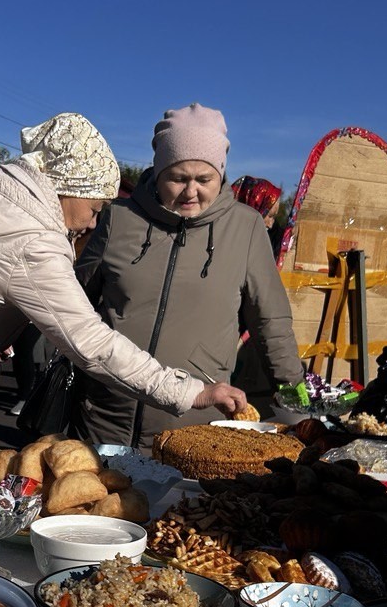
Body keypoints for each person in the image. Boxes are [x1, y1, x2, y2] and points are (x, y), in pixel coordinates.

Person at [0, 111, 246, 497]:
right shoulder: (31, 238)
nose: (93, 224)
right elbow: (91, 344)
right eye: (96, 209)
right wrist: (190, 393)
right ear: (72, 188)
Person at [72, 104, 298, 449]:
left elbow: (271, 321)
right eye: (178, 178)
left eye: (204, 179)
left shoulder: (246, 227)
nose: (191, 192)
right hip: (105, 418)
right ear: (158, 172)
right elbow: (71, 299)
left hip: (194, 429)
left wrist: (296, 397)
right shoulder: (120, 218)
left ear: (220, 175)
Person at [231, 175, 284, 256]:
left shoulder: (271, 238)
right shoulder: (225, 241)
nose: (270, 225)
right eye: (270, 216)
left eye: (274, 217)